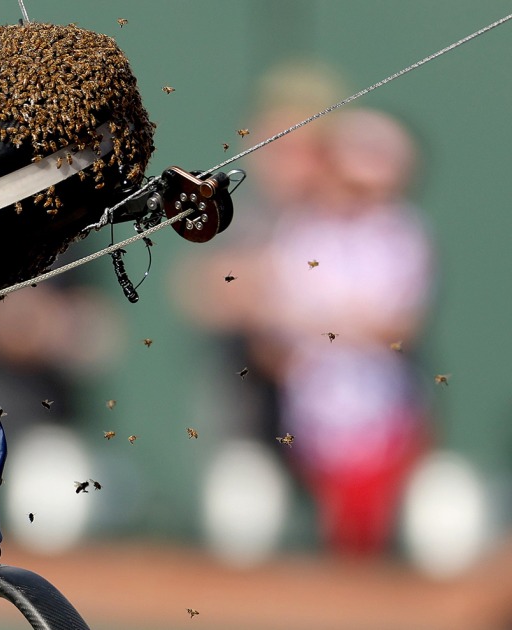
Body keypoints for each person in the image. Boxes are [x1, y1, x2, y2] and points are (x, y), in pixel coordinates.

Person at [176, 61, 435, 559]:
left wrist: (297, 308)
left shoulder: (381, 224)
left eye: (303, 145)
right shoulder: (251, 214)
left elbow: (398, 320)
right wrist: (271, 296)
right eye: (275, 140)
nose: (286, 159)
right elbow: (203, 289)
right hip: (262, 424)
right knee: (246, 502)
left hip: (361, 433)